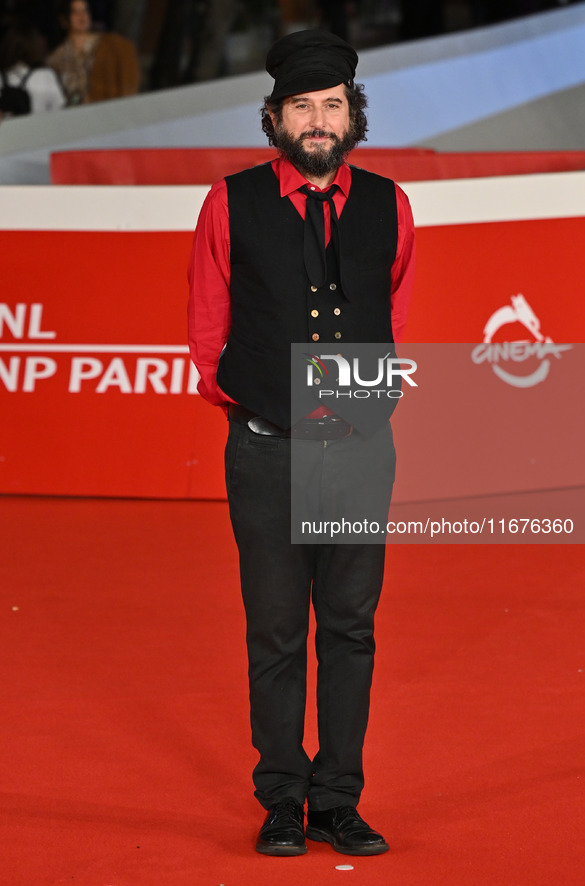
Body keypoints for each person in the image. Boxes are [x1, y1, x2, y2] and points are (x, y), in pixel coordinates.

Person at [188, 29, 415, 857]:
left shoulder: (390, 203)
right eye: (301, 107)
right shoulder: (230, 200)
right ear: (274, 118)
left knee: (350, 628)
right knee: (277, 631)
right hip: (266, 447)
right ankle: (282, 797)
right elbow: (206, 325)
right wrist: (256, 406)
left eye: (331, 106)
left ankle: (339, 797)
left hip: (357, 451)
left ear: (350, 115)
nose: (317, 121)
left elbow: (392, 313)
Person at [47, 0, 140, 106]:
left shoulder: (111, 45)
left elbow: (128, 83)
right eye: (75, 12)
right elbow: (61, 97)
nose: (82, 16)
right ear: (63, 20)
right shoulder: (56, 59)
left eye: (85, 10)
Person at [0, 23, 65, 118]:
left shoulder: (1, 76)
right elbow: (60, 110)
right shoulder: (45, 75)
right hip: (41, 130)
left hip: (9, 132)